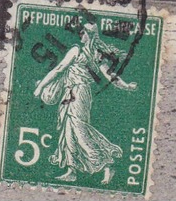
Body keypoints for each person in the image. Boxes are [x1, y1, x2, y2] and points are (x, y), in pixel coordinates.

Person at [33, 22, 137, 185]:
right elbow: (60, 69)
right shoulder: (87, 52)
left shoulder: (89, 53)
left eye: (83, 32)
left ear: (90, 34)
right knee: (68, 130)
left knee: (79, 129)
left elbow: (108, 75)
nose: (80, 34)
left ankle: (106, 164)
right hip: (70, 92)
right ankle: (71, 170)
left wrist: (126, 86)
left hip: (80, 93)